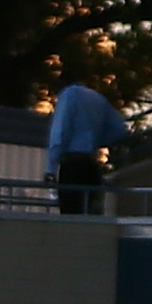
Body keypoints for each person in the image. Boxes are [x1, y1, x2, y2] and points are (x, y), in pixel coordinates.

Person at [42, 70, 127, 216]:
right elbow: (119, 129)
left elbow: (61, 132)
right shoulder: (98, 98)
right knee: (91, 214)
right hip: (91, 165)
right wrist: (95, 141)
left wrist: (50, 168)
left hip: (72, 165)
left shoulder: (68, 95)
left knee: (72, 216)